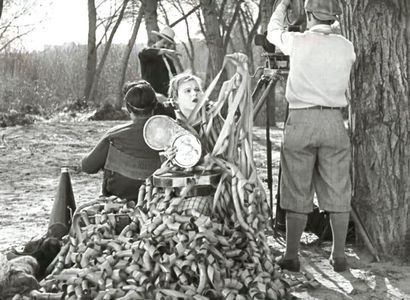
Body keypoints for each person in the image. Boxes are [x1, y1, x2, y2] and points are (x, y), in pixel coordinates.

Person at [267, 0, 356, 272]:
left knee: (296, 187)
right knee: (339, 189)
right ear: (335, 18)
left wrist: (282, 7)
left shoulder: (298, 41)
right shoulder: (347, 46)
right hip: (333, 121)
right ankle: (339, 256)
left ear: (308, 14)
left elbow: (272, 32)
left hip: (302, 120)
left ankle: (291, 255)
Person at [81, 80, 162, 201]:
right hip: (158, 199)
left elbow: (88, 167)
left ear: (128, 108)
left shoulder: (114, 136)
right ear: (155, 105)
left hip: (118, 200)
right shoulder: (169, 134)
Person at [138, 26, 182, 118]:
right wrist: (165, 51)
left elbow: (174, 77)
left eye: (168, 44)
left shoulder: (168, 60)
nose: (165, 46)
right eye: (164, 42)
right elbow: (143, 54)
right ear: (158, 40)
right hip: (152, 98)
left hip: (167, 100)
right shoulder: (147, 54)